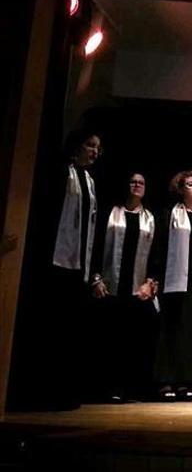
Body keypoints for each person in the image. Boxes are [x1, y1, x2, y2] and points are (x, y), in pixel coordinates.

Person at [89, 172, 157, 403]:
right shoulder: (111, 213)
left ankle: (129, 388)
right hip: (110, 287)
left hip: (137, 290)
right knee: (109, 340)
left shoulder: (150, 218)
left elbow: (157, 254)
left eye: (141, 182)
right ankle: (106, 388)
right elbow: (96, 245)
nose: (137, 185)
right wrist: (96, 278)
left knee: (132, 341)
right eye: (133, 181)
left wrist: (150, 282)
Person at [46, 130, 101, 409]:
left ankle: (67, 392)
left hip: (80, 263)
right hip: (58, 261)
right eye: (90, 145)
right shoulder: (62, 173)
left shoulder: (89, 180)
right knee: (55, 329)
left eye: (97, 148)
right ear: (77, 145)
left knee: (71, 331)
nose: (94, 152)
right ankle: (50, 391)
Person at [151, 170, 192, 401]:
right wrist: (154, 276)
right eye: (190, 184)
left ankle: (187, 380)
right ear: (180, 189)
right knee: (171, 331)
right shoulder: (170, 214)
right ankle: (166, 380)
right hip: (174, 281)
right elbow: (160, 245)